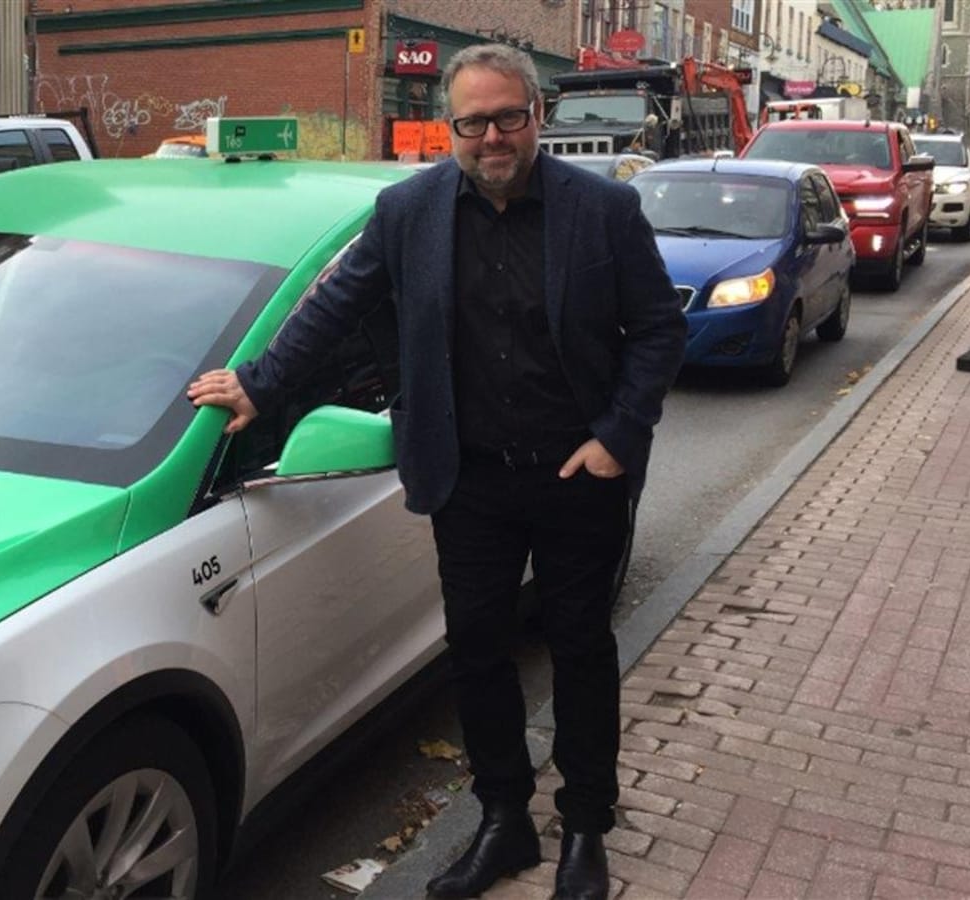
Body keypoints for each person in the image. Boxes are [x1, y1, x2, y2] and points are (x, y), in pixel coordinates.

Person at [187, 44, 685, 900]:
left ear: (538, 115)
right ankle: (504, 821)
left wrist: (617, 436)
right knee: (479, 655)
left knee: (580, 653)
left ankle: (587, 828)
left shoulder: (602, 211)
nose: (492, 136)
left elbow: (658, 331)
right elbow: (334, 309)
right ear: (449, 126)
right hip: (470, 480)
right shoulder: (408, 212)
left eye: (509, 117)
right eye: (473, 122)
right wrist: (259, 388)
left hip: (579, 476)